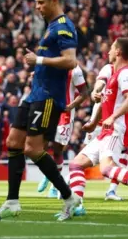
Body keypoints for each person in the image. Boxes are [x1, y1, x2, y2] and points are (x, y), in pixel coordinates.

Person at [0, 0, 81, 221]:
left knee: (33, 149)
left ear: (54, 1)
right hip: (35, 93)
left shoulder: (63, 27)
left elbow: (71, 61)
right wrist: (38, 70)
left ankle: (70, 197)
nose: (37, 6)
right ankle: (12, 202)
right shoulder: (50, 27)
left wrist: (39, 61)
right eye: (36, 2)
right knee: (13, 142)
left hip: (48, 97)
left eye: (41, 2)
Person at [68, 38, 128, 219]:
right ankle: (77, 205)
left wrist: (113, 117)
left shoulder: (127, 74)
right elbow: (104, 101)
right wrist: (95, 121)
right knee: (76, 164)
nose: (108, 51)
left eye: (111, 48)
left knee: (106, 168)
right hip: (105, 129)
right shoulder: (112, 72)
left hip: (116, 128)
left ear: (118, 52)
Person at [37, 65, 88, 198]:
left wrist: (71, 106)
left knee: (57, 150)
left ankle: (54, 185)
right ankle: (49, 174)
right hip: (47, 109)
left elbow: (84, 92)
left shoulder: (75, 69)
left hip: (64, 114)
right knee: (40, 148)